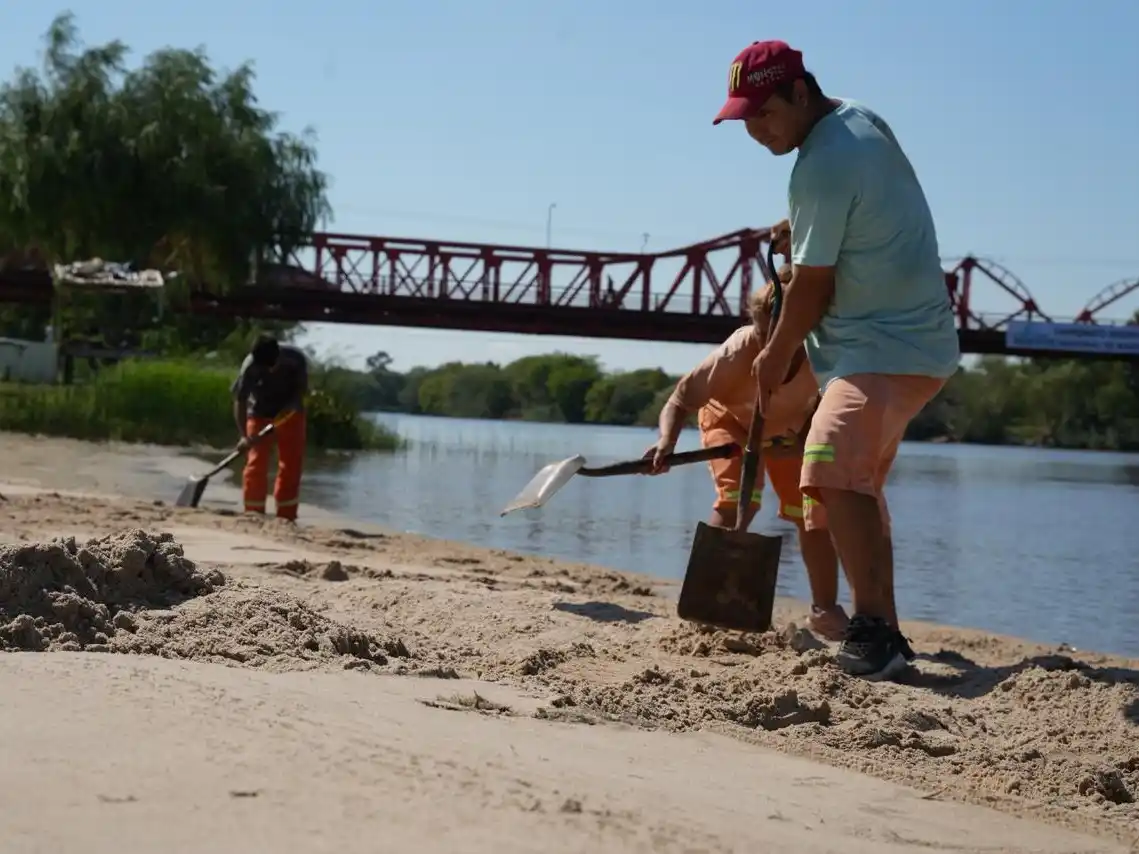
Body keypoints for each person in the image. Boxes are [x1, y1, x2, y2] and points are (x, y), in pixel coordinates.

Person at [711, 40, 961, 679]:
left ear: (800, 92)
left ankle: (874, 633)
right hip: (910, 346)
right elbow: (863, 211)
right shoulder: (858, 119)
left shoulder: (820, 163)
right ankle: (886, 629)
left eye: (763, 114)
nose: (755, 131)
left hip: (885, 347)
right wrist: (799, 227)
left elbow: (813, 289)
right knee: (851, 482)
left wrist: (775, 353)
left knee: (823, 463)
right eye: (744, 120)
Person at [648, 266, 848, 641]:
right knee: (740, 499)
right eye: (760, 333)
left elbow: (828, 407)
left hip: (788, 431)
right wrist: (666, 442)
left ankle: (825, 611)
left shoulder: (822, 355)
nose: (766, 346)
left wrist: (803, 437)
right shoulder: (736, 351)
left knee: (810, 515)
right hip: (731, 421)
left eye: (777, 335)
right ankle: (706, 597)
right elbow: (679, 400)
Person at [231, 334, 309, 521]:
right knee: (256, 463)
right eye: (262, 367)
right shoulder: (250, 366)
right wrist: (244, 436)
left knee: (291, 464)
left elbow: (301, 394)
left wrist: (289, 410)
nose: (267, 370)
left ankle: (286, 515)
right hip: (259, 412)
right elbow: (240, 400)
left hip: (289, 412)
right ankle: (253, 512)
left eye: (270, 366)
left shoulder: (296, 360)